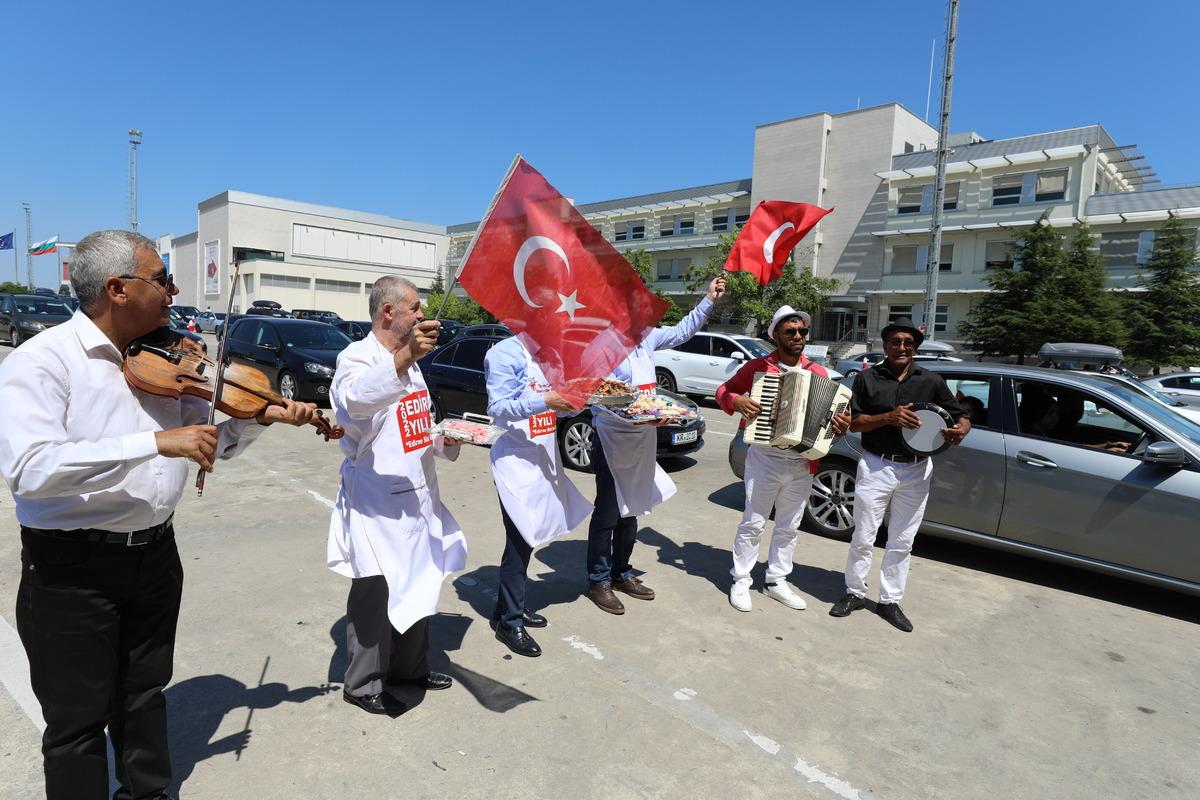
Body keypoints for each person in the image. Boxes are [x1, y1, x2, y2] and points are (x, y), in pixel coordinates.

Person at [0, 230, 317, 800]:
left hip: (154, 554)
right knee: (76, 721)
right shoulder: (42, 362)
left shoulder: (173, 357)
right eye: (162, 280)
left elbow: (208, 444)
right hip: (71, 570)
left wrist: (259, 417)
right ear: (118, 288)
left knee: (145, 693)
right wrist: (152, 443)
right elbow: (32, 469)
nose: (173, 292)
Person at [327, 276, 466, 716]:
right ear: (389, 312)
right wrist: (404, 358)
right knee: (376, 591)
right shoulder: (356, 358)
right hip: (377, 501)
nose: (423, 314)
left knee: (420, 582)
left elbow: (415, 423)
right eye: (415, 307)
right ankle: (364, 682)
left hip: (419, 496)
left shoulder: (415, 363)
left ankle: (409, 669)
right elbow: (355, 402)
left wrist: (448, 439)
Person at [584, 275, 726, 614]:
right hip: (613, 438)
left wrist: (709, 299)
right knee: (607, 513)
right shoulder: (600, 345)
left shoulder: (644, 339)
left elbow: (681, 331)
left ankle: (621, 572)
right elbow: (597, 396)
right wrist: (636, 414)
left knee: (632, 510)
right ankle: (599, 581)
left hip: (643, 439)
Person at [828, 316, 970, 633]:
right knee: (863, 534)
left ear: (914, 347)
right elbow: (854, 422)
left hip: (917, 468)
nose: (902, 347)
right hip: (876, 464)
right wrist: (889, 417)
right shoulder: (866, 379)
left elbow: (962, 417)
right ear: (885, 346)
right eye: (895, 341)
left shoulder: (931, 381)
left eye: (908, 342)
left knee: (903, 539)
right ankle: (854, 593)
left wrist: (959, 430)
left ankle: (890, 601)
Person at [716, 305, 851, 612]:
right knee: (753, 522)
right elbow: (723, 390)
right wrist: (735, 400)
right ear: (776, 334)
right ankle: (741, 578)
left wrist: (840, 427)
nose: (798, 336)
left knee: (789, 525)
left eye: (802, 331)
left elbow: (833, 423)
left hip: (802, 461)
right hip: (765, 455)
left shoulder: (819, 374)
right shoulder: (758, 368)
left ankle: (777, 579)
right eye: (790, 331)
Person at [484, 336, 592, 656]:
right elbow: (498, 406)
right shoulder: (503, 353)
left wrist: (570, 405)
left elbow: (552, 407)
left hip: (542, 460)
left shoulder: (547, 355)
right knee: (519, 542)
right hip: (514, 463)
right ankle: (509, 622)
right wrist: (547, 402)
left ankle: (509, 605)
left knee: (528, 540)